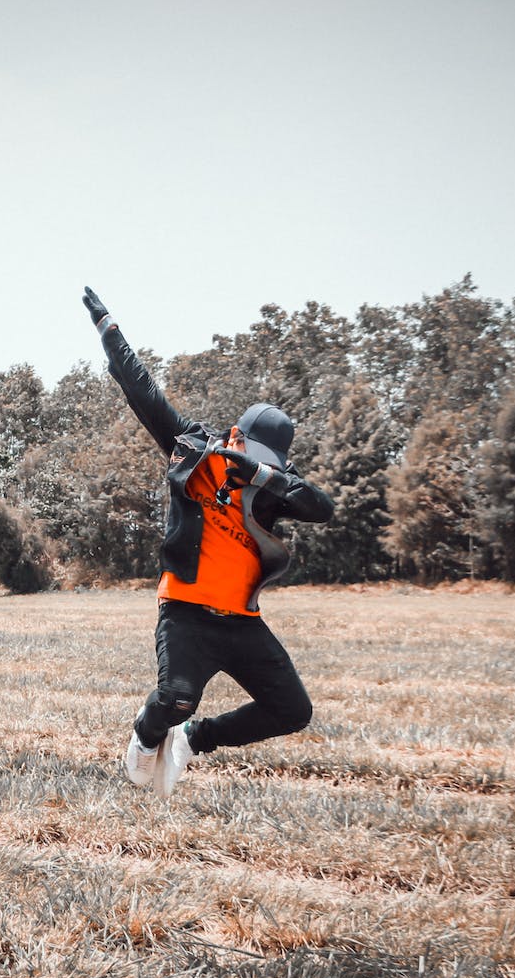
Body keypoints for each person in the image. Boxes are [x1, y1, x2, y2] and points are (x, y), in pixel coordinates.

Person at [82, 286, 336, 796]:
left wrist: (262, 476)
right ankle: (145, 736)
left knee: (292, 710)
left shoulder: (269, 486)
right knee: (175, 697)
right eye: (251, 452)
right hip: (187, 611)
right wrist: (109, 329)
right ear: (233, 435)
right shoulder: (194, 451)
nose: (258, 463)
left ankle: (194, 740)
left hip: (242, 622)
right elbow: (142, 391)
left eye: (270, 460)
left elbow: (322, 509)